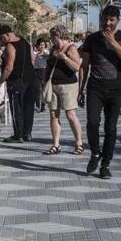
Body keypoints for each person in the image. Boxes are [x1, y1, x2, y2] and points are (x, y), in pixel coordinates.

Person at [79, 5, 121, 179]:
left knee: (110, 127)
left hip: (116, 88)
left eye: (112, 20)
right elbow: (84, 65)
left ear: (118, 20)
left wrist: (112, 42)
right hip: (95, 87)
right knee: (92, 123)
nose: (107, 23)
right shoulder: (92, 38)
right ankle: (95, 154)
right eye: (105, 19)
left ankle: (106, 164)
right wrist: (80, 90)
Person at [42, 25, 83, 155]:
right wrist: (45, 81)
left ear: (59, 36)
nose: (52, 40)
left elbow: (77, 67)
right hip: (53, 85)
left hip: (68, 86)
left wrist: (64, 58)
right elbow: (48, 66)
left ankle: (79, 143)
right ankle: (56, 144)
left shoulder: (71, 48)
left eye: (53, 37)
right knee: (54, 115)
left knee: (70, 114)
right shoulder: (53, 49)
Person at [0, 26, 37, 143]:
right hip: (31, 79)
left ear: (8, 35)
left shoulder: (10, 46)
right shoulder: (25, 42)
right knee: (28, 108)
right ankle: (27, 134)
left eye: (2, 38)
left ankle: (18, 135)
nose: (1, 41)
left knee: (16, 107)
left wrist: (0, 82)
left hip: (17, 81)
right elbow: (33, 58)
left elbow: (9, 67)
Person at [33, 38, 50, 112]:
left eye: (43, 45)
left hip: (44, 71)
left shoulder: (47, 52)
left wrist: (44, 54)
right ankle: (37, 105)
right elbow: (33, 61)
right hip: (36, 71)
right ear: (37, 45)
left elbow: (48, 57)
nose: (42, 46)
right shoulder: (35, 53)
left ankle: (43, 106)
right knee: (37, 89)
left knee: (44, 89)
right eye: (40, 45)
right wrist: (38, 54)